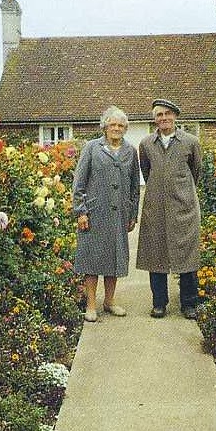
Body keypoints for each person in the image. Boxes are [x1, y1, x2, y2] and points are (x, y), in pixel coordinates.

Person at [72, 106, 141, 322]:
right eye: (113, 124)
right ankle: (91, 305)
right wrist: (81, 211)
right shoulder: (92, 148)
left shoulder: (131, 151)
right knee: (92, 260)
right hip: (94, 213)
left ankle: (109, 301)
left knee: (115, 258)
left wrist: (133, 214)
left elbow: (134, 187)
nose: (117, 129)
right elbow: (79, 183)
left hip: (119, 214)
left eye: (121, 125)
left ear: (126, 128)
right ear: (105, 126)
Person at [136, 99, 202, 319]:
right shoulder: (146, 144)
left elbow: (196, 172)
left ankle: (189, 303)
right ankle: (159, 303)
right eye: (158, 115)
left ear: (175, 116)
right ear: (154, 119)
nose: (163, 118)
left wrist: (180, 192)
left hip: (184, 208)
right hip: (155, 208)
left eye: (167, 114)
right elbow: (147, 172)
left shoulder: (191, 142)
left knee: (187, 256)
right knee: (156, 255)